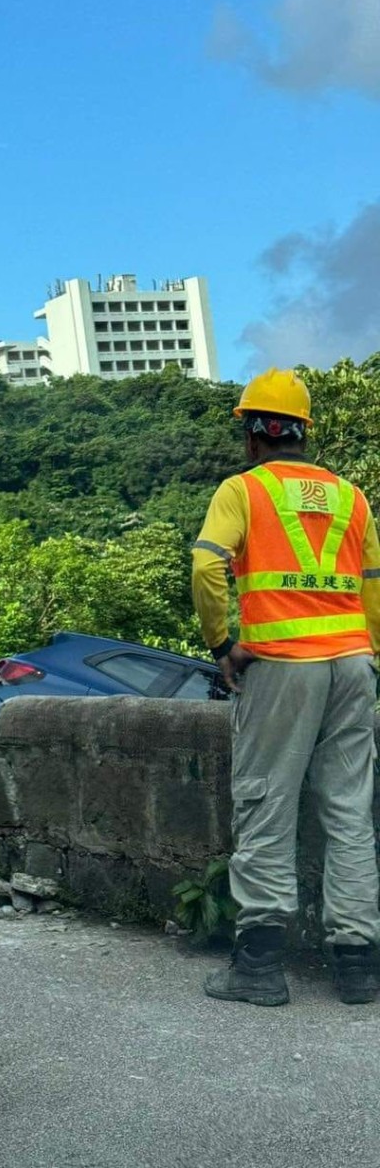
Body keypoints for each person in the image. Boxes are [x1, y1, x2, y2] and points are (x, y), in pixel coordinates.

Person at [193, 367, 380, 1007]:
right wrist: (369, 654)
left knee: (266, 804)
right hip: (354, 664)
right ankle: (358, 967)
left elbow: (207, 565)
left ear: (252, 436)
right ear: (304, 434)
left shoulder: (242, 491)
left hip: (282, 666)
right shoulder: (352, 497)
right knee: (350, 813)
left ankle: (260, 967)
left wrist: (223, 645)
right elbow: (374, 583)